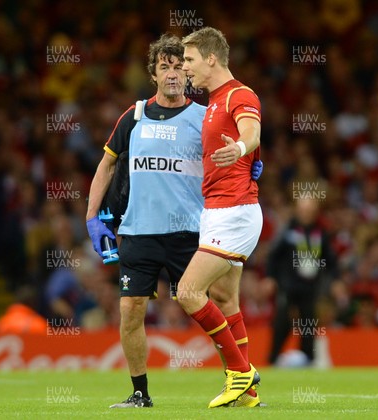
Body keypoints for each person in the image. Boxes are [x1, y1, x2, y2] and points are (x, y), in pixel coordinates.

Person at [85, 34, 263, 409]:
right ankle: (140, 393)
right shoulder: (133, 115)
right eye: (163, 66)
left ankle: (244, 386)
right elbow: (107, 164)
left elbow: (243, 137)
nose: (172, 73)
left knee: (219, 297)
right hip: (138, 231)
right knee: (131, 309)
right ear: (152, 74)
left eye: (179, 65)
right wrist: (93, 218)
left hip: (191, 227)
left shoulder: (206, 114)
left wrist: (252, 162)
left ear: (187, 72)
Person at [177, 27, 263, 408]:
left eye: (190, 60)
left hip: (235, 212)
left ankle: (239, 371)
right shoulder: (213, 100)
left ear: (212, 58)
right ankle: (248, 394)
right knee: (225, 297)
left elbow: (252, 130)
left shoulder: (239, 94)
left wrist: (244, 148)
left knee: (188, 292)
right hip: (216, 211)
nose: (185, 68)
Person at [265, 198, 337, 366]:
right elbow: (273, 257)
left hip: (310, 287)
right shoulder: (288, 231)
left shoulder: (320, 233)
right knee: (282, 321)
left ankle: (308, 359)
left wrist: (335, 280)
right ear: (297, 211)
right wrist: (270, 277)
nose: (306, 214)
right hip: (288, 285)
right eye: (303, 210)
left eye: (310, 211)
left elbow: (330, 260)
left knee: (308, 322)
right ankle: (274, 357)